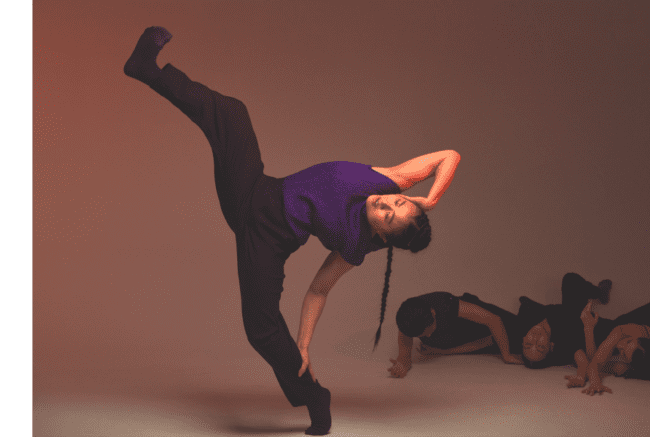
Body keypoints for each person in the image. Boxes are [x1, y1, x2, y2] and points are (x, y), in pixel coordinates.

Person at [123, 27, 460, 435]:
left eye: (389, 216)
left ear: (384, 238)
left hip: (267, 237)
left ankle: (314, 397)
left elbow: (318, 289)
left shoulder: (355, 244)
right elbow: (449, 155)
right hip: (255, 188)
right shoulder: (391, 180)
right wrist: (434, 199)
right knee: (232, 112)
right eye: (398, 202)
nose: (385, 204)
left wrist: (302, 343)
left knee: (260, 327)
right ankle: (145, 68)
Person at [564, 299, 650, 395]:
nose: (620, 344)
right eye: (628, 343)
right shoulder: (626, 332)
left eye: (624, 351)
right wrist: (595, 382)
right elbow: (595, 363)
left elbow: (596, 363)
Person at [387, 292, 524, 378]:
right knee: (518, 348)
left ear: (433, 313)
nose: (427, 337)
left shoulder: (445, 304)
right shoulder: (408, 322)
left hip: (478, 321)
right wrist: (401, 366)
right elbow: (404, 358)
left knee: (521, 331)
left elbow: (493, 320)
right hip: (463, 337)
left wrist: (506, 355)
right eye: (422, 335)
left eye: (428, 331)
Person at [518, 273, 614, 368]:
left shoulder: (526, 318)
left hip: (570, 312)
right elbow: (588, 360)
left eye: (528, 344)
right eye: (540, 346)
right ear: (551, 346)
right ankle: (600, 293)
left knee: (570, 280)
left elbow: (526, 305)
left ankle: (600, 294)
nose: (535, 339)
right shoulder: (564, 338)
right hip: (602, 330)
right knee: (570, 280)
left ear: (523, 340)